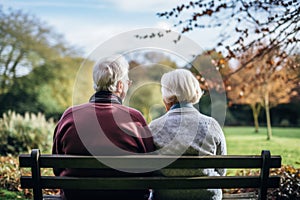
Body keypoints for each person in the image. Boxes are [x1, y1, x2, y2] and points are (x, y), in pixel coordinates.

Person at [52, 55, 155, 200]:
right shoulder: (134, 118)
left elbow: (58, 167)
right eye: (128, 82)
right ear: (120, 85)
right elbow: (149, 167)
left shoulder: (70, 115)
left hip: (78, 197)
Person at [149, 69, 227, 200]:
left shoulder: (154, 127)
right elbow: (221, 170)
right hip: (207, 196)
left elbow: (149, 170)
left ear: (166, 96)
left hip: (166, 196)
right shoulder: (211, 125)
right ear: (194, 91)